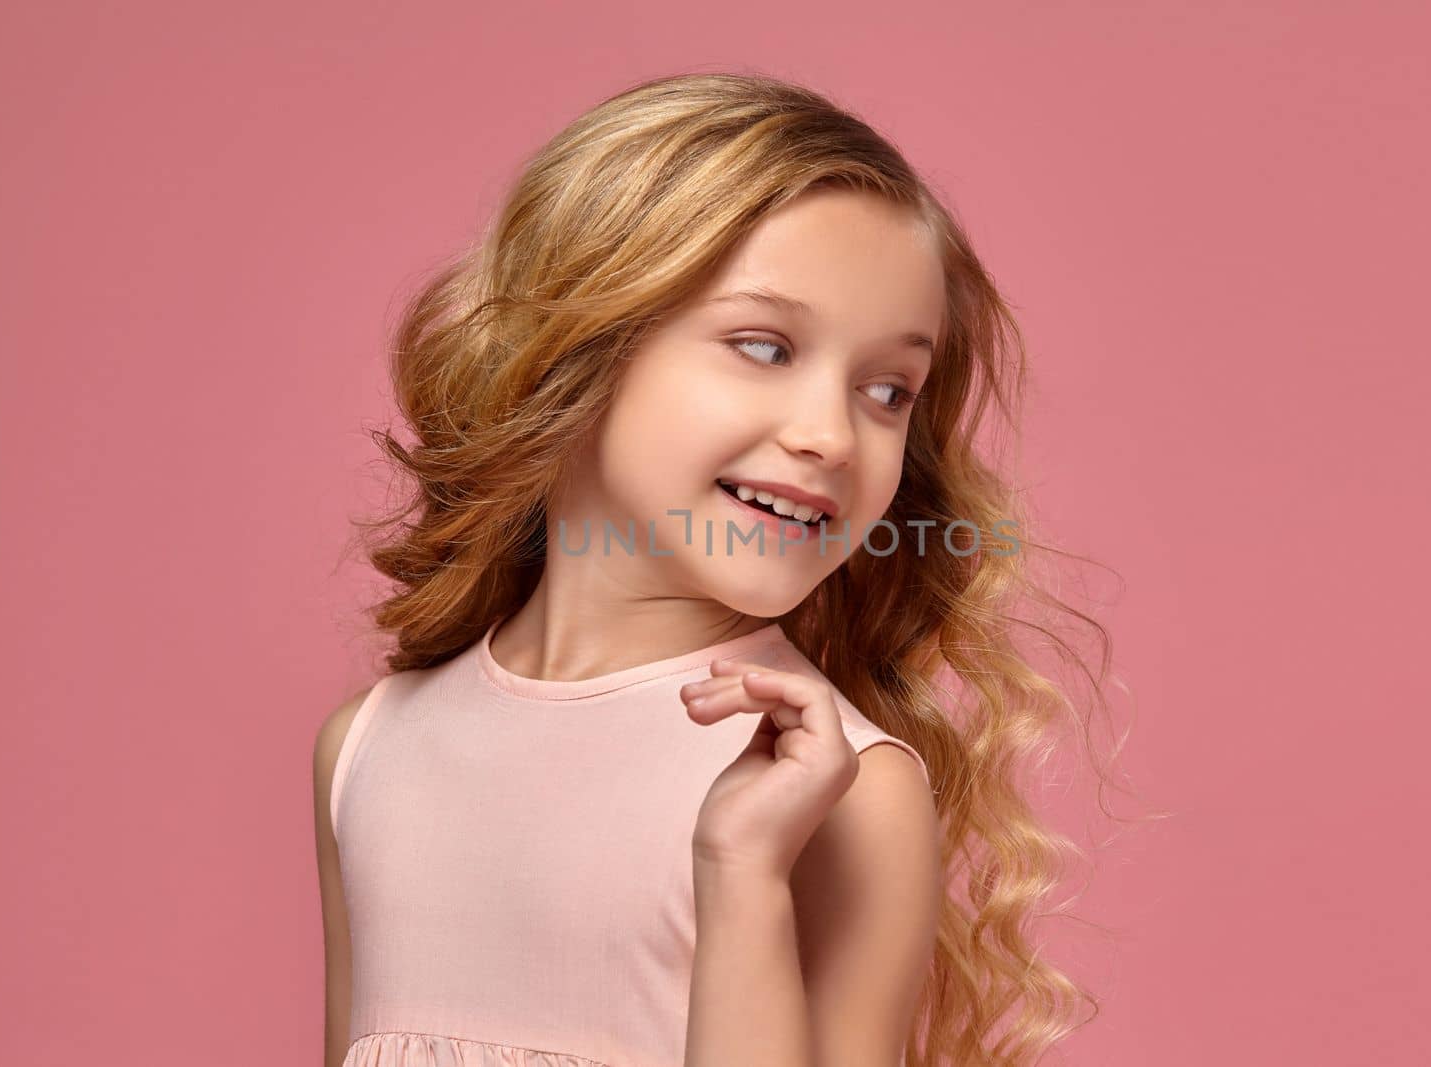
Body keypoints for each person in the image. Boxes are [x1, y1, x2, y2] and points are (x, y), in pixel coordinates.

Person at [313, 71, 1125, 1067]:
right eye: (763, 344)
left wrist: (738, 872)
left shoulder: (841, 790)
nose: (831, 434)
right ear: (578, 342)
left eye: (886, 388)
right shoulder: (369, 749)